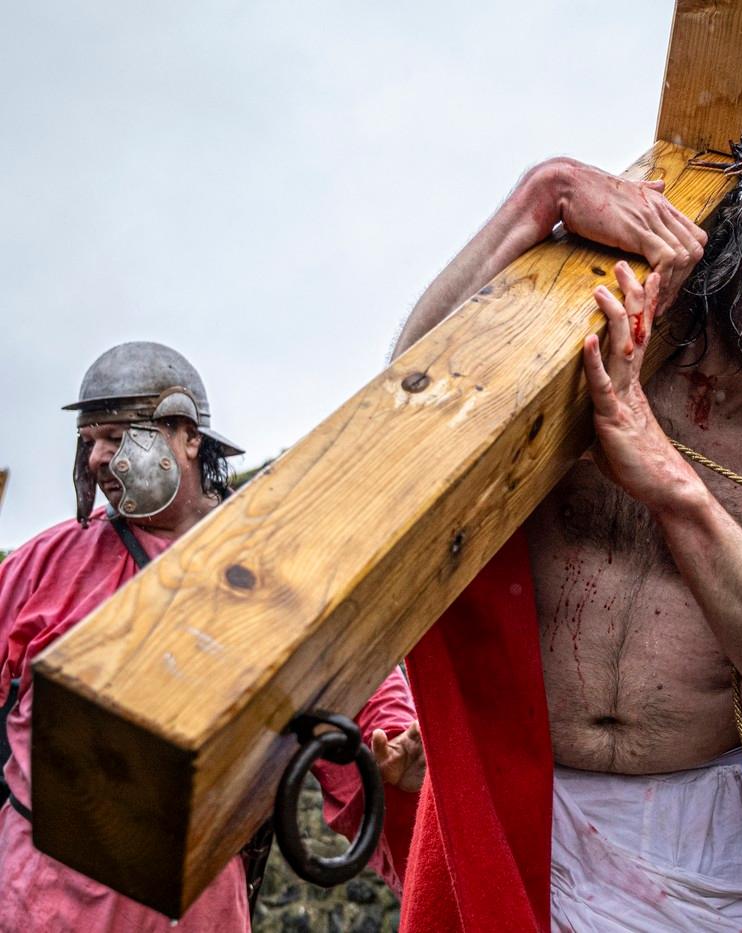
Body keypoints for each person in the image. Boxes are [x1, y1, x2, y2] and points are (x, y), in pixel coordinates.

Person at [393, 104, 742, 931]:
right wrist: (539, 197)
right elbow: (413, 403)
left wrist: (674, 489)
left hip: (717, 850)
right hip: (516, 813)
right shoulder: (601, 319)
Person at [0, 341, 425, 932]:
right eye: (88, 441)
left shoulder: (281, 572)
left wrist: (398, 764)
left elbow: (376, 734)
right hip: (35, 902)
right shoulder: (40, 567)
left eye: (116, 437)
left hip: (193, 910)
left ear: (186, 435)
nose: (96, 459)